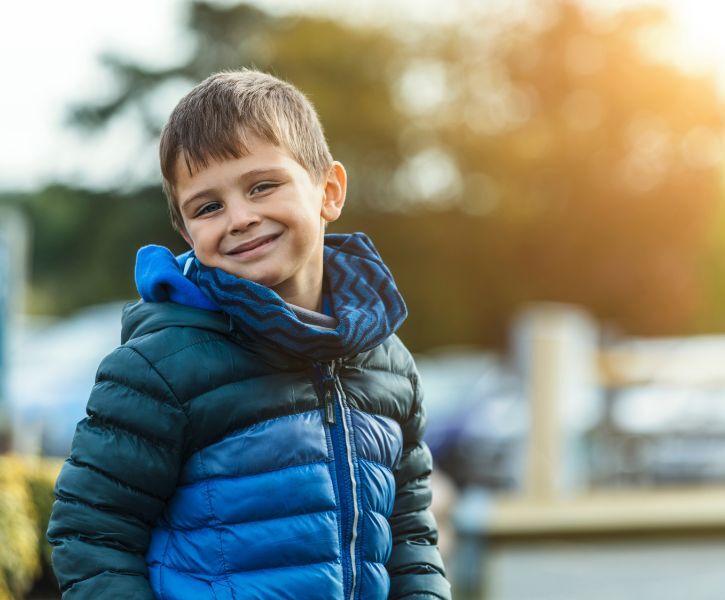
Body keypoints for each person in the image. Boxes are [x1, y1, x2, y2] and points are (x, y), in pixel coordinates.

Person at [46, 69, 451, 600]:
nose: (239, 218)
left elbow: (411, 535)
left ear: (328, 191)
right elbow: (91, 533)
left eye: (262, 186)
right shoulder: (159, 369)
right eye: (208, 207)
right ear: (188, 233)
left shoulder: (388, 365)